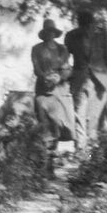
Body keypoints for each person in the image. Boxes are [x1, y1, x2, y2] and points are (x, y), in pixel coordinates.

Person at [64, 8, 107, 149]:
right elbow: (64, 57)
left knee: (94, 117)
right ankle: (81, 150)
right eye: (84, 25)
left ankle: (93, 150)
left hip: (99, 80)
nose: (87, 27)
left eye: (88, 25)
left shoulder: (101, 34)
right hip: (79, 79)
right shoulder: (71, 36)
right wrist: (67, 73)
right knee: (79, 114)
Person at [30, 18, 75, 170]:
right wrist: (44, 77)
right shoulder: (36, 49)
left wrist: (58, 78)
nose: (50, 34)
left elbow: (67, 69)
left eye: (52, 32)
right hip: (43, 90)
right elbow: (36, 68)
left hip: (58, 91)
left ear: (54, 33)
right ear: (44, 34)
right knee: (44, 125)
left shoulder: (62, 50)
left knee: (56, 124)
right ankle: (43, 166)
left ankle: (50, 164)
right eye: (47, 32)